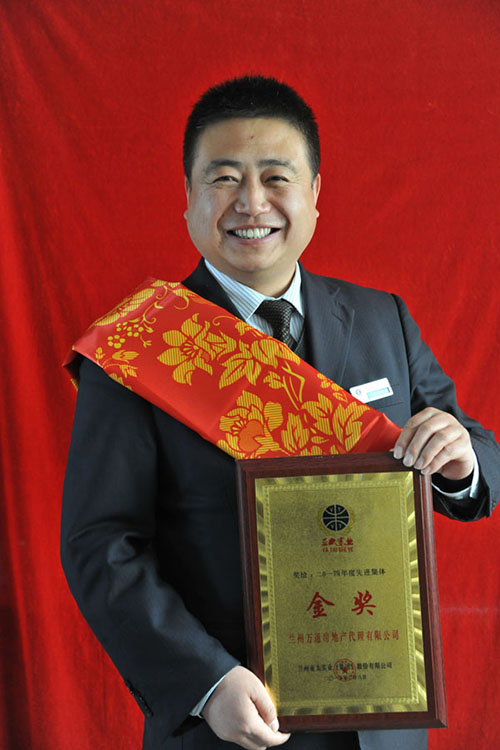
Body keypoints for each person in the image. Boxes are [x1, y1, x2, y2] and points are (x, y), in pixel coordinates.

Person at [61, 76, 500, 750]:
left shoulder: (382, 318)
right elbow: (100, 545)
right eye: (225, 179)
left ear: (315, 193)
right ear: (189, 196)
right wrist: (204, 682)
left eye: (275, 177)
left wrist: (461, 464)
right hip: (231, 717)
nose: (251, 203)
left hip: (384, 708)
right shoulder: (135, 351)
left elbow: (476, 459)